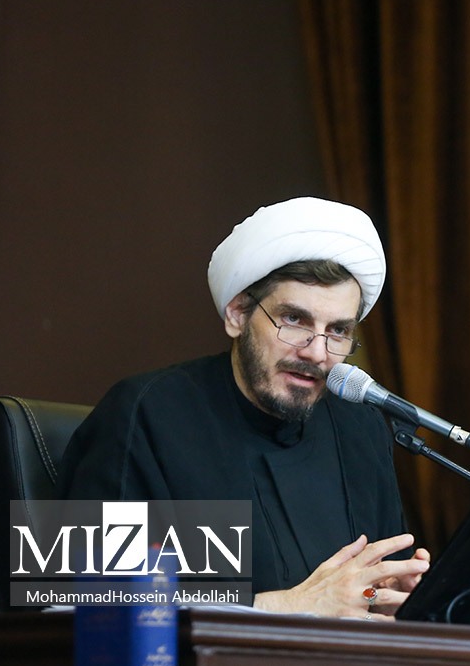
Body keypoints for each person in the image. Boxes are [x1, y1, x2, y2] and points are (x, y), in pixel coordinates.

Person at [57, 196, 430, 620]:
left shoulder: (359, 428)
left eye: (338, 331)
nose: (317, 352)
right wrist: (286, 607)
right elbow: (85, 600)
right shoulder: (146, 415)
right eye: (294, 320)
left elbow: (370, 595)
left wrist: (388, 595)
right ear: (237, 314)